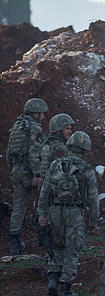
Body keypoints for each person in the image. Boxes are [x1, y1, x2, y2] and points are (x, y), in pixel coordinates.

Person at [37, 131, 100, 296]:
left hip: (54, 210)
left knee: (56, 246)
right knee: (72, 250)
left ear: (70, 146)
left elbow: (45, 191)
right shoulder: (86, 169)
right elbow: (93, 198)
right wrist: (94, 221)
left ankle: (52, 280)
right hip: (74, 212)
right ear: (85, 149)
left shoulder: (56, 164)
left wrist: (42, 213)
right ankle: (66, 288)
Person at [6, 98, 48, 255]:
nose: (43, 118)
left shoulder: (16, 128)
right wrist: (37, 174)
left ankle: (15, 244)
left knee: (18, 208)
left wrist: (13, 171)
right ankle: (41, 237)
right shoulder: (34, 128)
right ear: (35, 113)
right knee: (43, 202)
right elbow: (34, 153)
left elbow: (9, 154)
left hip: (17, 171)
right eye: (42, 114)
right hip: (30, 172)